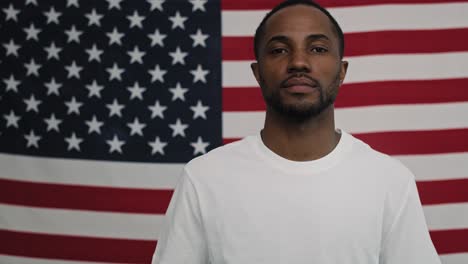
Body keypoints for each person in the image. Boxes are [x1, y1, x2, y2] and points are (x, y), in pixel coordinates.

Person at [152, 0, 441, 263]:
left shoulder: (390, 181)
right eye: (279, 50)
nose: (298, 62)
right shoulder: (203, 179)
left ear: (342, 71)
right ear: (257, 72)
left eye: (317, 48)